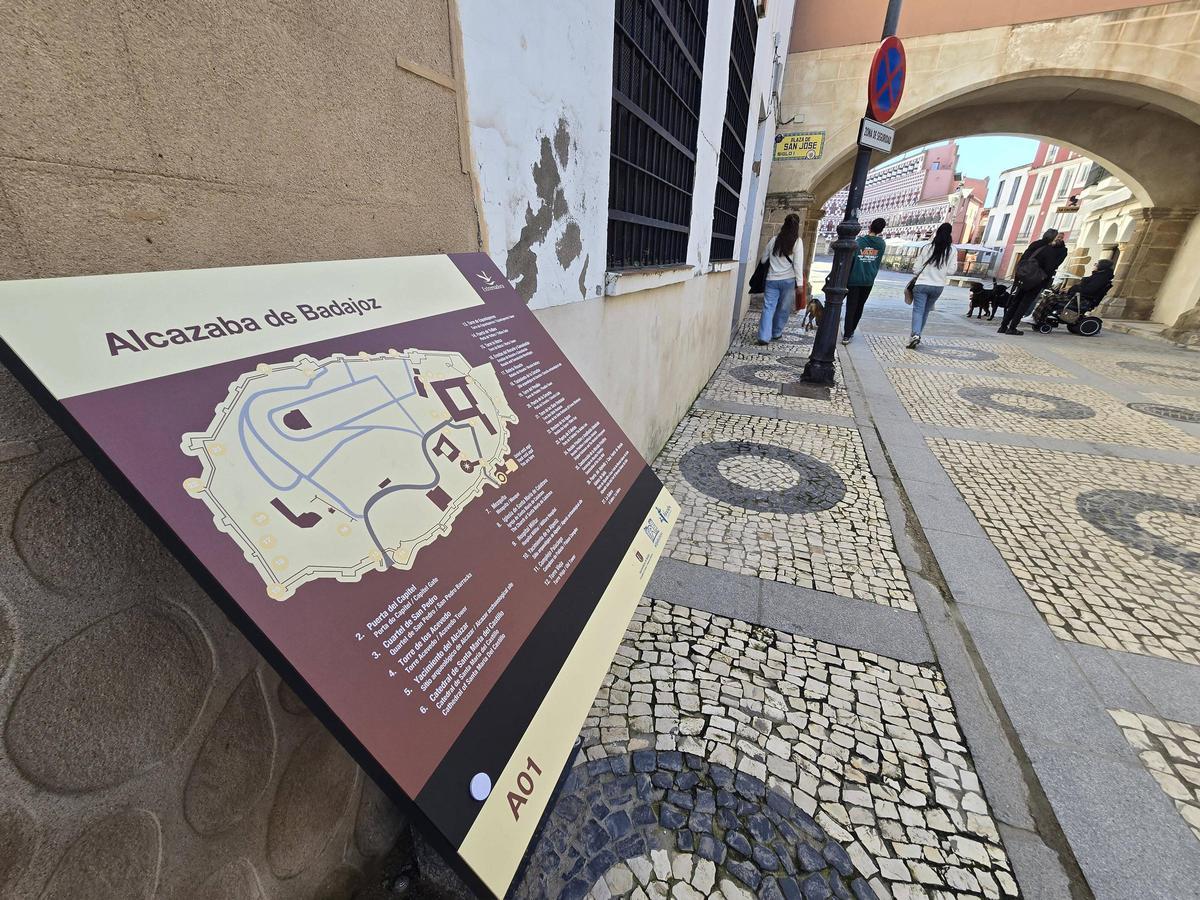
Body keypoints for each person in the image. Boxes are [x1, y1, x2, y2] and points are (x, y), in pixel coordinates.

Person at [999, 230, 1068, 335]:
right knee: (1024, 304)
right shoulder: (1050, 251)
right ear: (1053, 239)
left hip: (1024, 277)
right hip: (1036, 281)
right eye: (1057, 238)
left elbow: (1023, 259)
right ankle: (1012, 327)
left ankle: (1003, 326)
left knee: (1015, 302)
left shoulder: (1035, 244)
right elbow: (1051, 267)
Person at [905, 223, 956, 349]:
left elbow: (916, 268)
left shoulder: (927, 247)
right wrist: (941, 271)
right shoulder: (952, 250)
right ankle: (917, 335)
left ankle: (915, 335)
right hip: (938, 286)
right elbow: (951, 270)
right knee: (925, 312)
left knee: (918, 310)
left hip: (922, 284)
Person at [757, 213, 805, 345]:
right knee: (783, 308)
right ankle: (776, 332)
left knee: (768, 307)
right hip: (788, 281)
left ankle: (763, 336)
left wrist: (775, 262)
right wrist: (800, 284)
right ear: (797, 226)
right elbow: (797, 264)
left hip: (771, 280)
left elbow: (763, 259)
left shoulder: (774, 240)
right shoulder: (797, 242)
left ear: (784, 224)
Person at [842, 218, 887, 344]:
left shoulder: (859, 242)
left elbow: (851, 259)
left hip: (854, 279)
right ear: (882, 229)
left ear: (869, 226)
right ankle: (851, 331)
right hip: (868, 280)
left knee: (851, 306)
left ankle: (846, 333)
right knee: (860, 306)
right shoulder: (881, 244)